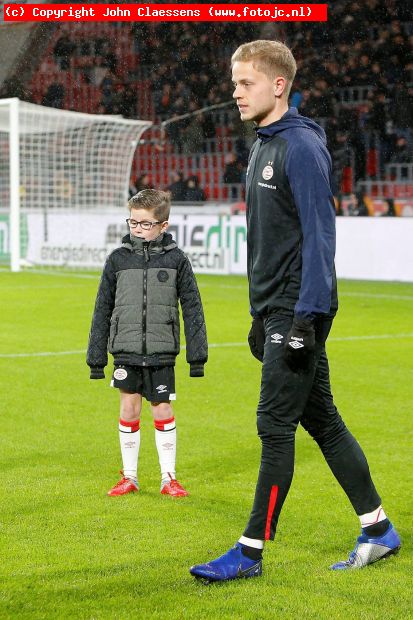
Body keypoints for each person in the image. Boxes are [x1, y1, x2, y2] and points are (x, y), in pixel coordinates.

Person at [190, 40, 401, 582]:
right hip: (277, 310)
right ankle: (378, 529)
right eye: (233, 82)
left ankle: (249, 552)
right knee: (324, 423)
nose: (234, 92)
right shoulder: (263, 145)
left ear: (278, 85)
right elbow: (273, 241)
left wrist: (303, 319)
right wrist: (261, 316)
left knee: (274, 426)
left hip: (297, 310)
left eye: (244, 83)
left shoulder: (300, 147)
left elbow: (319, 236)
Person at [87, 189, 207, 497]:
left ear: (163, 225)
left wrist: (197, 357)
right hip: (125, 349)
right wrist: (96, 359)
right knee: (128, 408)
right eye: (133, 222)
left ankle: (169, 478)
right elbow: (102, 308)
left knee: (162, 408)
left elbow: (192, 307)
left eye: (145, 224)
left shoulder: (177, 260)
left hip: (161, 350)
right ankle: (129, 476)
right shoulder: (117, 259)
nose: (138, 229)